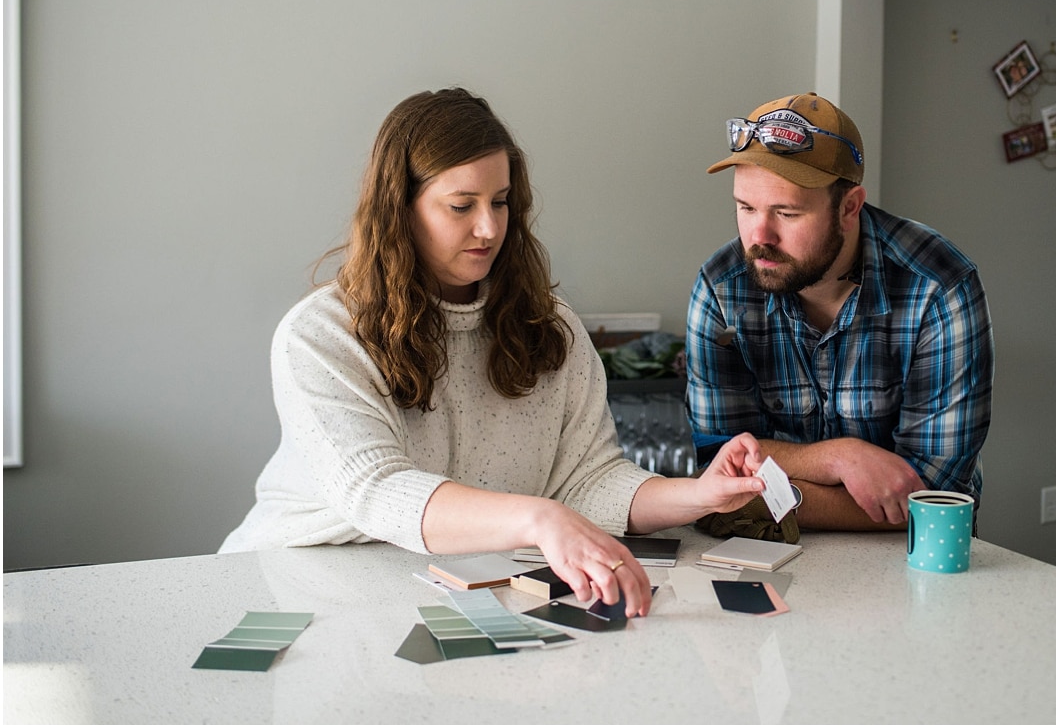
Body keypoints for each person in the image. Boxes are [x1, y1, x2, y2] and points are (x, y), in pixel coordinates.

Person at [220, 88, 767, 616]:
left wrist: (695, 495)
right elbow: (377, 490)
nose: (488, 228)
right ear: (399, 210)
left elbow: (588, 481)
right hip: (295, 588)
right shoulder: (322, 334)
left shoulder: (552, 329)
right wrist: (540, 520)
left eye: (500, 203)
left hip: (455, 588)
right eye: (461, 206)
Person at [686, 93, 994, 532]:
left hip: (913, 565)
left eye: (786, 213)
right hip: (763, 555)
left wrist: (766, 491)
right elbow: (717, 465)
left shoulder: (938, 286)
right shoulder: (721, 289)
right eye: (745, 207)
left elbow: (933, 499)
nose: (759, 236)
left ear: (849, 207)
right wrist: (838, 458)